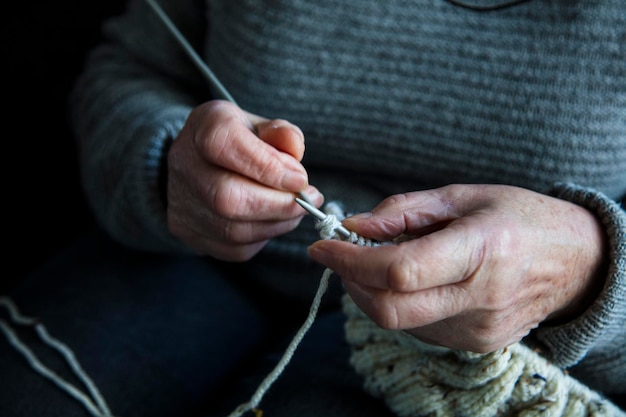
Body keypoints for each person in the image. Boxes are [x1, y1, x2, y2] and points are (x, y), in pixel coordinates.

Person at [1, 0, 624, 416]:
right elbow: (133, 65)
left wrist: (586, 268)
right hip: (197, 263)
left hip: (501, 346)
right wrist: (167, 164)